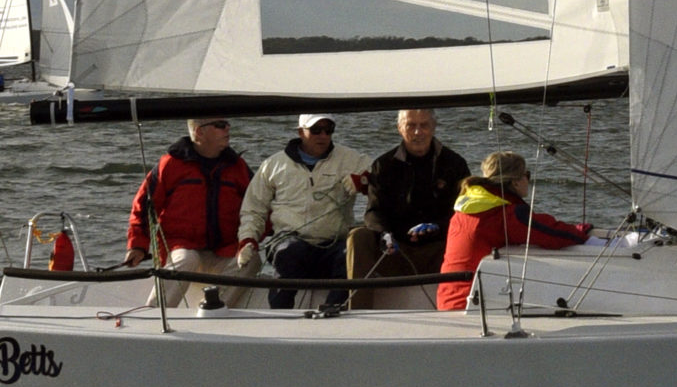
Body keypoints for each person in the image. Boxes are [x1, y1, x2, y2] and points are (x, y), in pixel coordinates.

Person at [236, 111, 372, 310]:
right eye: (316, 130)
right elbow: (253, 209)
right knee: (289, 253)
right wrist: (247, 239)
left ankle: (332, 311)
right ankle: (280, 318)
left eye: (328, 130)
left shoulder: (351, 159)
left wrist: (364, 181)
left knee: (350, 254)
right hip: (290, 240)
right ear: (301, 132)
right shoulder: (273, 165)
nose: (323, 135)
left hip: (333, 244)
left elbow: (383, 177)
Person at [437, 151, 593, 312]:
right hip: (469, 305)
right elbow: (553, 234)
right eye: (527, 175)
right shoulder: (504, 214)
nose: (528, 180)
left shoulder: (468, 207)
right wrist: (582, 232)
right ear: (516, 182)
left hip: (449, 298)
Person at [124, 115, 255, 307]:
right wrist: (137, 246)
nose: (227, 128)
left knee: (251, 260)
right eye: (220, 125)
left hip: (224, 250)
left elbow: (257, 206)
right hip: (181, 247)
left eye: (227, 124)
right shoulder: (170, 165)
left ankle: (213, 307)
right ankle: (155, 313)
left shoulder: (238, 167)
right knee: (186, 260)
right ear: (199, 131)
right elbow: (143, 207)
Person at [347, 108, 468, 309]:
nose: (418, 132)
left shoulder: (455, 164)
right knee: (357, 236)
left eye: (424, 125)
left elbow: (464, 214)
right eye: (411, 125)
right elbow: (373, 212)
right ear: (399, 128)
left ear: (434, 127)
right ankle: (359, 312)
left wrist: (438, 227)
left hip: (439, 251)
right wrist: (384, 234)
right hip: (396, 250)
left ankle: (462, 308)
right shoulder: (383, 165)